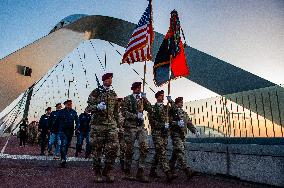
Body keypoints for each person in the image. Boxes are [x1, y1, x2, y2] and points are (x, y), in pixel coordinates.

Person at [87, 73, 119, 183]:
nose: (110, 80)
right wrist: (97, 106)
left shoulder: (113, 94)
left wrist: (118, 126)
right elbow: (88, 108)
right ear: (104, 80)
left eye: (111, 78)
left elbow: (115, 112)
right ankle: (97, 173)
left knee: (113, 148)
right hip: (98, 125)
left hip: (111, 125)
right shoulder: (95, 92)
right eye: (109, 78)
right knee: (97, 150)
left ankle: (108, 170)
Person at [121, 82, 152, 182]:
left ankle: (140, 171)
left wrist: (145, 99)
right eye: (137, 87)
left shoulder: (142, 100)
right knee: (129, 150)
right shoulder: (127, 99)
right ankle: (127, 171)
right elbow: (124, 112)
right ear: (133, 89)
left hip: (140, 127)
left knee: (145, 147)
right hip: (130, 127)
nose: (139, 89)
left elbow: (150, 109)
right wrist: (135, 116)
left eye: (140, 87)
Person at [169, 97, 200, 179]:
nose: (182, 103)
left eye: (182, 102)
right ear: (176, 103)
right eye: (180, 102)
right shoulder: (172, 112)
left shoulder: (184, 113)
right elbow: (169, 121)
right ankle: (187, 170)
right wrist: (177, 123)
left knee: (176, 152)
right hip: (175, 134)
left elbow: (189, 123)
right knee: (180, 150)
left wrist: (195, 131)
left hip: (182, 135)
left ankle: (170, 168)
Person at [148, 90, 174, 182]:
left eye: (163, 96)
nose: (163, 97)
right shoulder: (152, 108)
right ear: (157, 97)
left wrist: (171, 101)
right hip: (157, 133)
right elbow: (152, 122)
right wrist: (163, 125)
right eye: (161, 96)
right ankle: (168, 173)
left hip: (165, 134)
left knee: (159, 152)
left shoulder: (166, 107)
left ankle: (152, 170)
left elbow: (175, 110)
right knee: (162, 152)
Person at [57, 99, 80, 167]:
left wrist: (77, 127)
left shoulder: (74, 112)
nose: (70, 105)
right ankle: (63, 159)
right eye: (68, 104)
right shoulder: (61, 112)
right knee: (63, 144)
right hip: (62, 131)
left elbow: (77, 121)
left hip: (70, 131)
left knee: (67, 145)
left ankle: (63, 156)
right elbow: (56, 121)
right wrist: (52, 129)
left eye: (71, 104)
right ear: (65, 105)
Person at [117, 98, 126, 172]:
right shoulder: (114, 111)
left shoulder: (124, 111)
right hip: (115, 131)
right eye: (119, 102)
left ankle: (122, 163)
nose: (120, 104)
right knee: (113, 147)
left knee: (123, 147)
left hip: (123, 131)